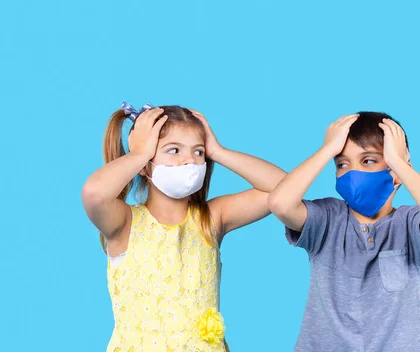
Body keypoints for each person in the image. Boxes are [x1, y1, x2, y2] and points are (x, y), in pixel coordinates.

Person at [82, 102, 286, 351]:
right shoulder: (124, 223)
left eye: (198, 152)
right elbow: (94, 194)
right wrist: (138, 154)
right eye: (174, 150)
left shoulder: (211, 218)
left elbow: (285, 189)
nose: (189, 160)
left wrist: (218, 151)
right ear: (146, 165)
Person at [268, 111, 420, 352]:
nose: (352, 172)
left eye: (368, 160)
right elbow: (280, 203)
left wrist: (398, 163)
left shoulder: (408, 223)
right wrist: (327, 149)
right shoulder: (326, 219)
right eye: (342, 164)